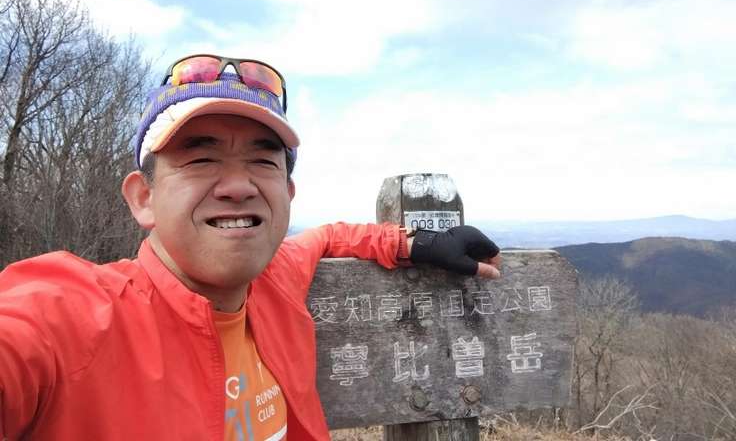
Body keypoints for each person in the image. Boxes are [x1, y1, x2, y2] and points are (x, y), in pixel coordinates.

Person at [0, 54, 501, 440]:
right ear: (143, 198)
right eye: (201, 159)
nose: (239, 185)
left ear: (287, 194)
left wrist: (415, 242)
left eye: (263, 161)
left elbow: (326, 237)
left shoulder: (274, 279)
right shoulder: (70, 320)